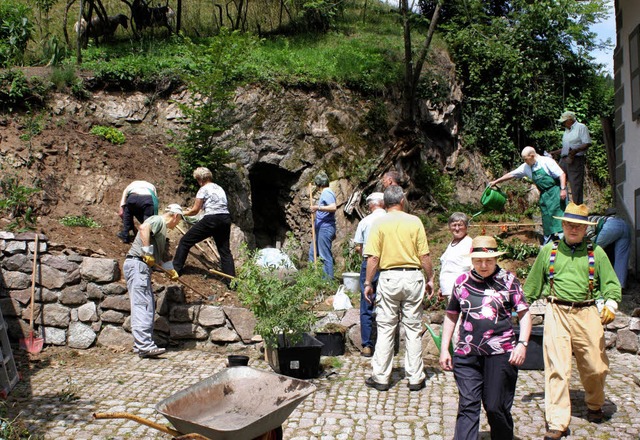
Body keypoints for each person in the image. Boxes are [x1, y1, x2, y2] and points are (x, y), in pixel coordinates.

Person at [523, 203, 622, 440]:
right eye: (569, 224)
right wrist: (517, 308)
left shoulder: (596, 252)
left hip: (587, 313)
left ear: (585, 228)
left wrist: (611, 304)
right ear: (563, 225)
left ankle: (595, 403)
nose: (573, 228)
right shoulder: (549, 251)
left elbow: (611, 284)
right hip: (556, 310)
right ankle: (557, 422)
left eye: (578, 225)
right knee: (557, 368)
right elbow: (532, 285)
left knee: (595, 366)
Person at [439, 236, 531, 440]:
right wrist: (445, 348)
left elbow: (524, 314)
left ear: (496, 259)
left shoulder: (508, 281)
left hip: (501, 353)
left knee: (495, 405)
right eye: (478, 260)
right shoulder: (462, 282)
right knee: (468, 404)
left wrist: (522, 344)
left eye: (488, 260)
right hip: (467, 354)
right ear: (471, 259)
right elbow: (452, 315)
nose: (483, 265)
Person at [363, 185, 434, 391]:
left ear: (385, 204)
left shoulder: (379, 223)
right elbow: (424, 255)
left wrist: (368, 283)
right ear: (402, 201)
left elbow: (373, 257)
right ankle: (415, 378)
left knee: (386, 329)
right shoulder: (415, 222)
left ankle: (381, 378)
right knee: (413, 329)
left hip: (389, 277)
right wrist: (430, 278)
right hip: (412, 276)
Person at [124, 204, 182, 358]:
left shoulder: (162, 233)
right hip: (137, 264)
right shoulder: (158, 220)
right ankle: (144, 346)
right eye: (179, 221)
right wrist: (146, 252)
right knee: (142, 305)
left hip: (142, 268)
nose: (177, 225)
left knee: (148, 306)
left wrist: (170, 270)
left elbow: (161, 257)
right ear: (175, 216)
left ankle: (142, 345)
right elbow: (143, 228)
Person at [490, 146, 567, 243]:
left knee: (559, 219)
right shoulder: (526, 167)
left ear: (532, 155)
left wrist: (563, 189)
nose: (525, 161)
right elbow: (511, 174)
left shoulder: (546, 161)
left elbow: (561, 174)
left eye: (526, 159)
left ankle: (565, 242)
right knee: (547, 220)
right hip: (544, 195)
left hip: (555, 192)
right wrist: (496, 181)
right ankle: (547, 244)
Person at [172, 167, 236, 284]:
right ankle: (232, 282)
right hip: (225, 218)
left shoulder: (203, 189)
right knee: (225, 251)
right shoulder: (219, 188)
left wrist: (182, 212)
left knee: (185, 241)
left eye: (197, 180)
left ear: (200, 179)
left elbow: (195, 211)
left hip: (212, 219)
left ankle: (176, 269)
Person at [353, 192, 386, 357]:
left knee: (367, 303)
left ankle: (367, 345)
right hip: (388, 264)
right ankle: (386, 346)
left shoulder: (365, 222)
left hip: (369, 264)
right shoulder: (391, 220)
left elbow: (358, 246)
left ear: (371, 205)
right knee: (387, 304)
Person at [550, 111, 592, 204]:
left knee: (575, 185)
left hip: (575, 159)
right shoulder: (567, 130)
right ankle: (563, 206)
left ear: (570, 120)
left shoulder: (581, 127)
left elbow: (587, 143)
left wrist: (575, 151)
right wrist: (553, 153)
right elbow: (565, 148)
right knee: (560, 181)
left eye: (565, 121)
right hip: (564, 159)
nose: (563, 123)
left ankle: (577, 209)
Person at [587, 208, 631, 289]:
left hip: (611, 226)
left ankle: (591, 280)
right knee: (621, 258)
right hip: (625, 225)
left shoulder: (586, 221)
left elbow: (591, 239)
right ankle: (619, 286)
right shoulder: (601, 218)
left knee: (592, 249)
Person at [308, 172, 337, 279]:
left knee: (324, 255)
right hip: (321, 229)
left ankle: (328, 281)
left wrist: (317, 208)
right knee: (312, 253)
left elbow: (333, 207)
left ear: (318, 184)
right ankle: (312, 279)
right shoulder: (325, 193)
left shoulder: (327, 192)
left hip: (325, 228)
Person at [439, 212, 473, 299]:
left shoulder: (468, 243)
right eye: (454, 225)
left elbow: (472, 268)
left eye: (460, 225)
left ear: (466, 227)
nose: (457, 228)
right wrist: (442, 288)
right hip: (448, 290)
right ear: (449, 227)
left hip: (460, 291)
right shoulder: (451, 244)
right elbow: (448, 267)